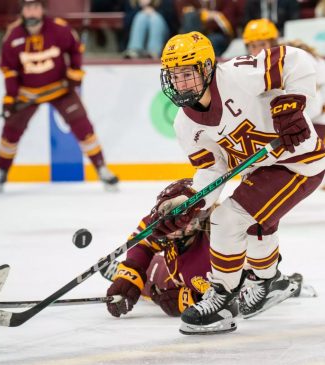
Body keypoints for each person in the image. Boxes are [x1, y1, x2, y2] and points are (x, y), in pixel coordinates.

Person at [154, 31, 325, 335]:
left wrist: (293, 102)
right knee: (258, 226)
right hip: (262, 168)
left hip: (300, 159)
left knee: (228, 218)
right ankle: (268, 281)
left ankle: (221, 294)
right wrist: (191, 203)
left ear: (207, 68)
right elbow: (212, 172)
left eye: (187, 74)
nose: (180, 84)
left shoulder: (238, 75)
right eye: (174, 76)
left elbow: (296, 59)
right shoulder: (185, 124)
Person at [104, 179, 301, 319]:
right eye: (165, 210)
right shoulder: (170, 222)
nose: (167, 223)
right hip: (177, 273)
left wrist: (186, 300)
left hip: (204, 286)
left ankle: (282, 281)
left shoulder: (221, 242)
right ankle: (121, 271)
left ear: (197, 220)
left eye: (177, 217)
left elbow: (234, 300)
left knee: (164, 286)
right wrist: (127, 277)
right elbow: (143, 243)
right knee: (154, 273)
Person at [0, 0, 119, 192]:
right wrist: (10, 98)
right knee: (10, 132)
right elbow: (9, 70)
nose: (32, 12)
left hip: (59, 89)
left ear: (42, 9)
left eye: (35, 7)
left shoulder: (59, 29)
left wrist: (74, 74)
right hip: (27, 93)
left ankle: (102, 168)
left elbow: (75, 49)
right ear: (22, 11)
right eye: (28, 8)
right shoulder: (12, 36)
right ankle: (1, 172)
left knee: (83, 126)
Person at [243, 19, 325, 187]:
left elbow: (313, 105)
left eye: (261, 44)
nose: (256, 50)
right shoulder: (256, 66)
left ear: (273, 42)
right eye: (252, 46)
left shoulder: (294, 58)